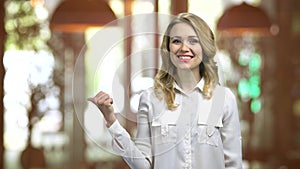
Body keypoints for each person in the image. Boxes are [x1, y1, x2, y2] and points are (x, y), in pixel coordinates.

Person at [88, 13, 242, 169]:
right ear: (167, 48)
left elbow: (234, 165)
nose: (184, 48)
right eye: (176, 41)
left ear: (205, 47)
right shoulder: (150, 98)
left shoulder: (224, 99)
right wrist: (111, 121)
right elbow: (143, 165)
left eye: (193, 41)